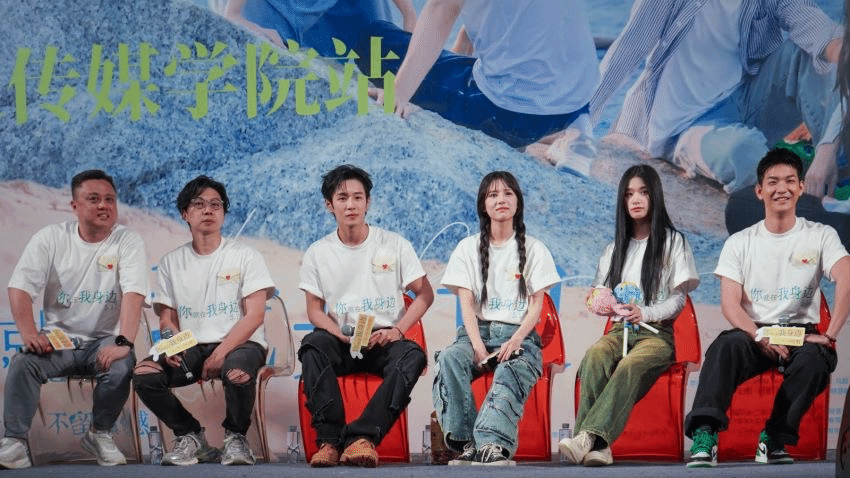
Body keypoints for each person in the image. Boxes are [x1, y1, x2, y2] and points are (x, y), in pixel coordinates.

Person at [684, 148, 850, 468]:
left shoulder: (821, 235)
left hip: (799, 333)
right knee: (724, 347)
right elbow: (730, 304)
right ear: (760, 191)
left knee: (818, 359)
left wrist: (830, 334)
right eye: (773, 182)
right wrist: (759, 335)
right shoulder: (740, 243)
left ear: (801, 188)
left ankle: (773, 438)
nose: (781, 188)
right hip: (754, 331)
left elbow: (846, 276)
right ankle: (705, 434)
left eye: (790, 181)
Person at [591, 0, 843, 194]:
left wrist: (838, 47)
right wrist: (580, 119)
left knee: (806, 52)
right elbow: (628, 49)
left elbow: (814, 25)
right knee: (748, 154)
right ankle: (799, 185)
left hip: (746, 99)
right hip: (685, 126)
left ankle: (830, 168)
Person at [1, 170, 148, 468]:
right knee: (24, 362)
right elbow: (19, 288)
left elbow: (134, 293)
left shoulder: (127, 240)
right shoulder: (51, 238)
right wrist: (29, 334)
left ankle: (99, 433)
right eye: (93, 199)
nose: (103, 205)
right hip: (60, 340)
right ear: (74, 206)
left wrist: (123, 342)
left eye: (110, 199)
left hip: (105, 339)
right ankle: (14, 442)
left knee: (121, 365)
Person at [558, 165, 699, 466]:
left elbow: (678, 300)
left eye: (643, 192)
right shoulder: (613, 249)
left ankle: (585, 436)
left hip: (657, 335)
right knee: (594, 355)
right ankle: (599, 447)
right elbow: (598, 293)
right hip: (618, 331)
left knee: (630, 365)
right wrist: (599, 302)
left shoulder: (674, 242)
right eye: (629, 194)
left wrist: (644, 312)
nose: (635, 199)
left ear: (655, 196)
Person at [132, 175, 275, 466]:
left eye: (215, 205)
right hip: (191, 344)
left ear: (223, 213)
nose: (208, 210)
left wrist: (221, 353)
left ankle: (236, 437)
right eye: (199, 204)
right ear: (185, 213)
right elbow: (167, 318)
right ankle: (190, 434)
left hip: (240, 343)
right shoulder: (171, 262)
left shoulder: (246, 256)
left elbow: (255, 315)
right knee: (144, 373)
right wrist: (171, 342)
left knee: (237, 372)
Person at [298, 164, 433, 468]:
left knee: (412, 356)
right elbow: (314, 310)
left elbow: (425, 294)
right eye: (342, 198)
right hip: (341, 338)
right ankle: (329, 441)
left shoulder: (395, 244)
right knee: (312, 346)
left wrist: (397, 331)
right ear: (329, 205)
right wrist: (337, 333)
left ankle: (362, 438)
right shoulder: (318, 252)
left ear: (368, 202)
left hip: (384, 339)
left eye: (358, 197)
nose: (351, 205)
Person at [433, 171, 560, 466]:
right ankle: (466, 444)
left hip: (520, 337)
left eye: (507, 193)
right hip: (476, 334)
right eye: (493, 195)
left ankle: (492, 444)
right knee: (449, 358)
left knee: (509, 370)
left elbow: (537, 305)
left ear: (518, 202)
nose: (501, 199)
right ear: (483, 204)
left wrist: (516, 340)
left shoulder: (535, 248)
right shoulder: (467, 248)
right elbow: (466, 305)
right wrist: (478, 347)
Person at [354, 0, 599, 149]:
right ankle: (572, 129)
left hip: (511, 113)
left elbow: (441, 8)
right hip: (576, 101)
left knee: (373, 41)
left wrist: (398, 94)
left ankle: (535, 133)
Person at [223, 0, 416, 58]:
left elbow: (411, 17)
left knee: (378, 53)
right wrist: (236, 16)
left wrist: (409, 16)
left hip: (342, 13)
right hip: (277, 10)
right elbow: (231, 16)